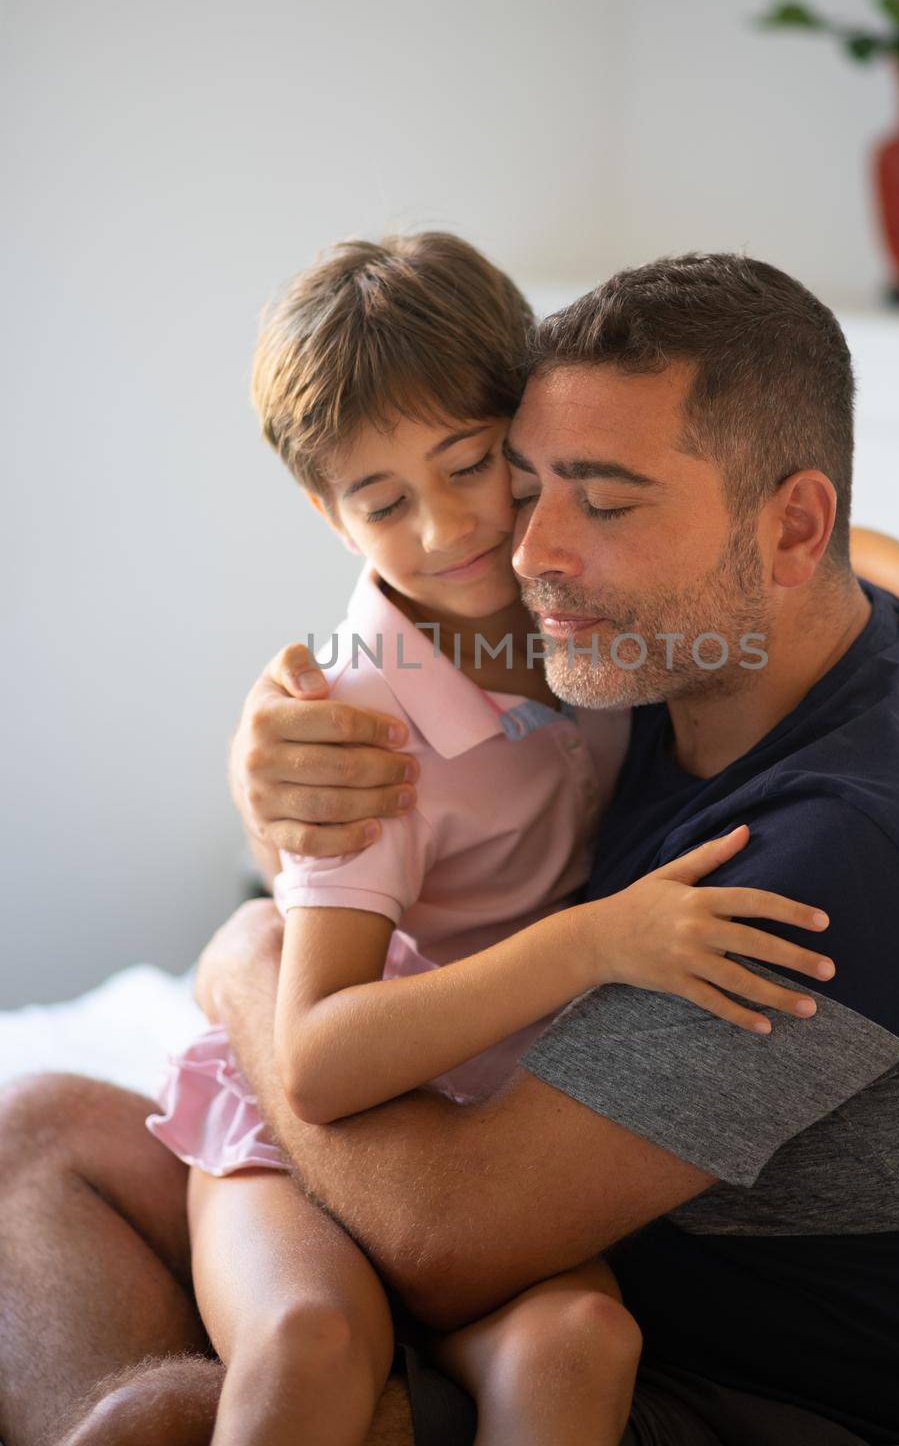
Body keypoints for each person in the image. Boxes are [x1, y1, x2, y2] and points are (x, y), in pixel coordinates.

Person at [0, 251, 899, 1446]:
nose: (519, 547)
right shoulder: (662, 653)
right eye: (530, 482)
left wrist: (246, 956)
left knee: (168, 1417)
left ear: (789, 529)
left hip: (767, 1389)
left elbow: (444, 1241)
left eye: (598, 502)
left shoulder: (838, 846)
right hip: (474, 1137)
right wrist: (271, 779)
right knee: (32, 1131)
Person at [142, 233, 843, 1446]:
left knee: (583, 1342)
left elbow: (759, 554)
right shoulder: (353, 723)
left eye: (472, 467)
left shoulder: (576, 603)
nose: (445, 528)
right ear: (326, 510)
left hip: (487, 1134)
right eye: (380, 501)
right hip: (316, 1137)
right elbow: (312, 1057)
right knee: (310, 1339)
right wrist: (593, 945)